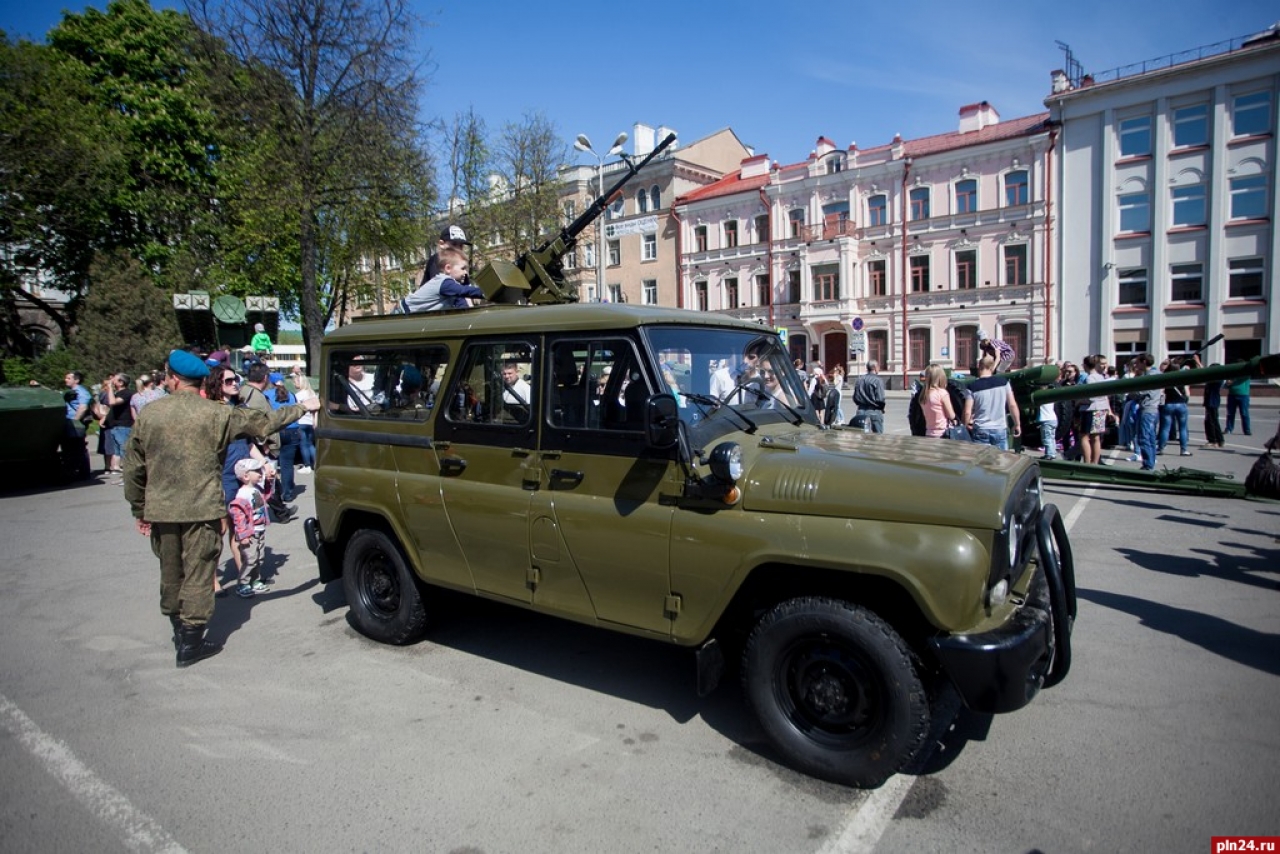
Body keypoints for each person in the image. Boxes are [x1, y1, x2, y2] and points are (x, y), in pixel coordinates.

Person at [122, 349, 320, 667]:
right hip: (201, 509)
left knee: (171, 570)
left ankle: (178, 628)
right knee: (201, 572)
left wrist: (139, 508)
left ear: (172, 378)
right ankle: (190, 643)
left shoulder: (150, 414)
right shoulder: (217, 414)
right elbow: (265, 422)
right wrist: (302, 407)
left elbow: (132, 468)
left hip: (162, 511)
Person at [227, 457, 276, 598]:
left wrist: (269, 480)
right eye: (256, 471)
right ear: (246, 476)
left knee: (259, 558)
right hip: (250, 532)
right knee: (250, 559)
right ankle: (243, 584)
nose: (260, 473)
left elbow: (266, 496)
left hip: (260, 529)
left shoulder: (255, 489)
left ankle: (255, 580)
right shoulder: (242, 494)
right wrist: (243, 535)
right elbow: (238, 516)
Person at [396, 246, 484, 313]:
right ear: (448, 268)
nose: (466, 273)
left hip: (412, 315)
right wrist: (486, 292)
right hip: (402, 312)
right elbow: (464, 290)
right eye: (463, 268)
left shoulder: (452, 289)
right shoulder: (444, 282)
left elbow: (461, 305)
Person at [964, 355, 1021, 450]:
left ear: (979, 366)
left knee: (981, 463)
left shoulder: (972, 387)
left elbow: (967, 411)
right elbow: (1012, 405)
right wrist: (1017, 424)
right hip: (1000, 428)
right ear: (992, 367)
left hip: (980, 429)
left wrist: (966, 425)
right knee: (1001, 462)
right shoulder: (1004, 383)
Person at [1078, 354, 1115, 465]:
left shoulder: (1090, 378)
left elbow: (1091, 397)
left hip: (1090, 409)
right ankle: (1095, 462)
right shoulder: (1101, 377)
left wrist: (1079, 401)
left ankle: (1087, 462)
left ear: (1085, 365)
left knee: (1084, 436)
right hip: (1101, 409)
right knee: (1096, 437)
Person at [270, 373, 301, 501]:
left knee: (272, 462)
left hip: (276, 430)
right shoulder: (292, 395)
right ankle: (287, 492)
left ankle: (273, 493)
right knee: (287, 464)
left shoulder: (267, 395)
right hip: (292, 430)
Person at [1131, 353, 1162, 471]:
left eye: (1138, 362)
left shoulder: (1151, 376)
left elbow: (1140, 392)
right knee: (1150, 437)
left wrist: (1131, 393)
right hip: (1151, 409)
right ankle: (1150, 461)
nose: (1136, 365)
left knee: (1144, 437)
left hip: (1148, 409)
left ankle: (1148, 464)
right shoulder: (1152, 374)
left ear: (1144, 362)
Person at [103, 372, 135, 485]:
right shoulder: (118, 393)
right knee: (118, 453)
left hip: (124, 426)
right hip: (116, 426)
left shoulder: (126, 393)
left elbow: (112, 402)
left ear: (121, 382)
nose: (112, 381)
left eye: (115, 380)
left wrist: (110, 388)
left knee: (125, 452)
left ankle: (129, 479)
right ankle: (123, 477)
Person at [62, 371, 93, 480]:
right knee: (70, 448)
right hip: (69, 422)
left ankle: (83, 473)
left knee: (79, 447)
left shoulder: (81, 392)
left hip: (76, 424)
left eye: (68, 378)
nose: (66, 380)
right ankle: (73, 470)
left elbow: (83, 407)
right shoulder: (71, 391)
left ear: (76, 380)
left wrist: (75, 420)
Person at [1158, 360, 1193, 457]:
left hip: (1169, 404)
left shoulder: (1166, 378)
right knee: (1182, 428)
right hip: (1181, 404)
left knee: (1165, 428)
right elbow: (1187, 393)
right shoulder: (1182, 378)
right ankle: (1184, 450)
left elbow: (1161, 391)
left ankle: (1161, 448)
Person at [1191, 356, 1225, 449]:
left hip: (1212, 402)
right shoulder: (1216, 378)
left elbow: (1204, 374)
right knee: (1212, 421)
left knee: (1211, 421)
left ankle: (1213, 440)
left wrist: (1198, 362)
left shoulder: (1217, 379)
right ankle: (1219, 440)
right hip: (1210, 401)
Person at [851, 360, 887, 433]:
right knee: (878, 437)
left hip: (860, 412)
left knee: (862, 437)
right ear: (874, 367)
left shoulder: (860, 380)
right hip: (874, 411)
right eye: (878, 366)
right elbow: (880, 399)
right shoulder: (878, 380)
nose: (879, 368)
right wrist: (882, 408)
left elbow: (855, 398)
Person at [292, 372, 318, 472]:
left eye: (295, 382)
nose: (294, 384)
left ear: (300, 382)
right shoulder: (312, 394)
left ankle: (307, 465)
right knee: (310, 444)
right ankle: (315, 463)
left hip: (301, 421)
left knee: (303, 444)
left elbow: (295, 409)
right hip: (310, 421)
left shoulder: (298, 395)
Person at [921, 364, 956, 438]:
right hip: (942, 433)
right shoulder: (942, 393)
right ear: (940, 377)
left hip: (929, 432)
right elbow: (951, 415)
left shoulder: (923, 395)